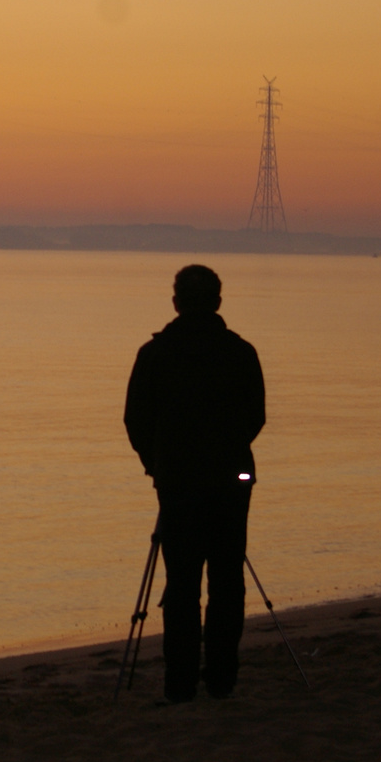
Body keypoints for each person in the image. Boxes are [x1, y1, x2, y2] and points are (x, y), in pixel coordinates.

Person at [123, 264, 265, 702]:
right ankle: (222, 679)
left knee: (182, 583)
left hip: (179, 482)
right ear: (218, 302)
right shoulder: (240, 352)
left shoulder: (156, 353)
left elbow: (135, 420)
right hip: (230, 481)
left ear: (176, 302)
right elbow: (254, 416)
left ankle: (180, 683)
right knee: (227, 580)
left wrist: (157, 463)